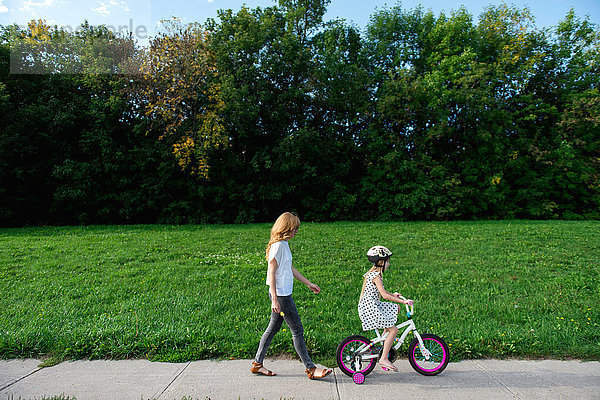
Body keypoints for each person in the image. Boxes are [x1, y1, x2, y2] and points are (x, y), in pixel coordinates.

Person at [251, 212, 332, 380]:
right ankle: (311, 369)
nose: (297, 231)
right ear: (287, 228)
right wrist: (274, 299)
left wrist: (308, 283)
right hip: (281, 296)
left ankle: (257, 364)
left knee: (272, 329)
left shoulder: (284, 244)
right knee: (297, 331)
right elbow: (271, 273)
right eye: (295, 228)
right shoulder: (278, 246)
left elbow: (289, 268)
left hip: (282, 294)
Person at [358, 245, 413, 372]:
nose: (389, 264)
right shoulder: (376, 276)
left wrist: (393, 296)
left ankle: (384, 343)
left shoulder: (374, 274)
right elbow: (383, 295)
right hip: (370, 308)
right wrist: (403, 300)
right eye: (387, 261)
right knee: (394, 330)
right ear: (381, 262)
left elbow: (382, 292)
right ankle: (383, 358)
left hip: (372, 305)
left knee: (396, 308)